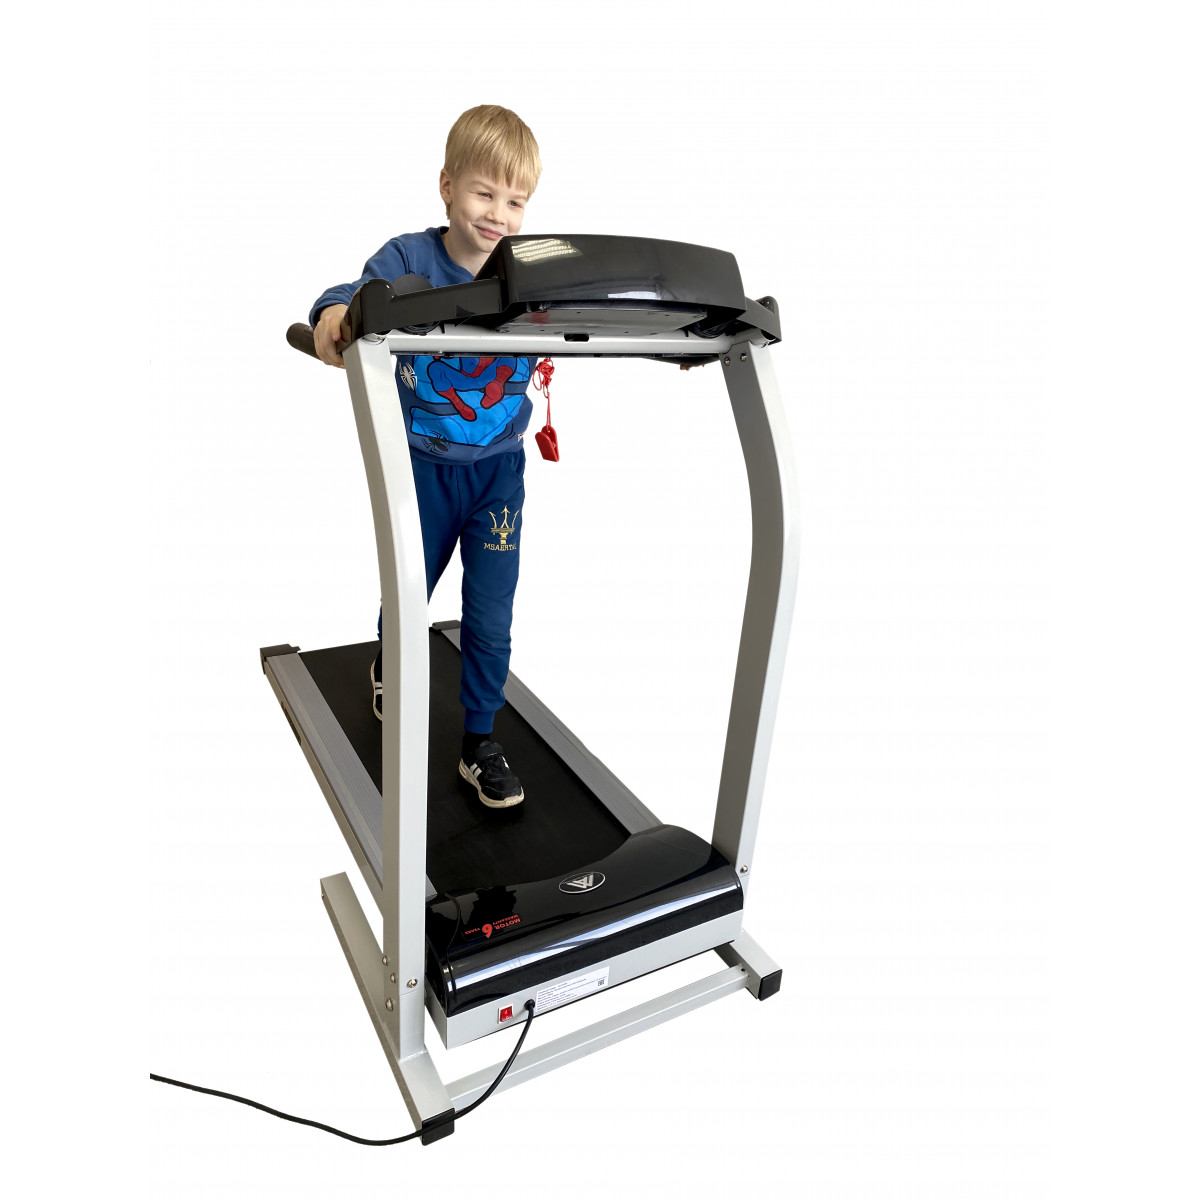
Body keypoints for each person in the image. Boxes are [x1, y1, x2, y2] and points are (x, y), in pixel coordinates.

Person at [309, 105, 541, 809]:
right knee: (411, 590)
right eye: (483, 193)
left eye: (515, 201)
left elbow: (595, 311)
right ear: (447, 186)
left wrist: (679, 340)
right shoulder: (411, 259)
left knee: (491, 613)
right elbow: (350, 295)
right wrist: (332, 315)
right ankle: (392, 658)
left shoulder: (529, 271)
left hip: (498, 474)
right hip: (423, 469)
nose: (498, 214)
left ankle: (480, 741)